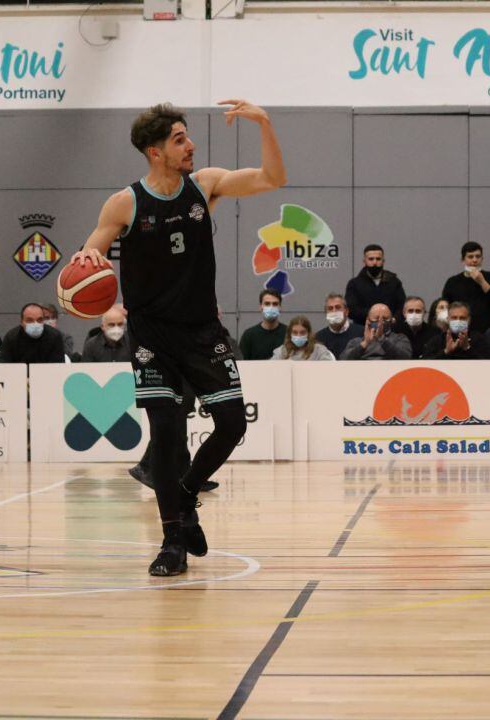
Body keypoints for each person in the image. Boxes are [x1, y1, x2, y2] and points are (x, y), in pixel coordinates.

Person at [72, 100, 285, 576]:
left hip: (202, 330)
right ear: (155, 152)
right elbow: (90, 254)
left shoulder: (204, 185)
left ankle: (185, 494)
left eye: (187, 137)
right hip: (151, 335)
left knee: (232, 423)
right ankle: (172, 541)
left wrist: (264, 124)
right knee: (166, 434)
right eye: (179, 140)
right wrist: (95, 288)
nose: (190, 146)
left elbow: (273, 178)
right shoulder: (124, 203)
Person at [441, 241, 490, 334]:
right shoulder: (453, 282)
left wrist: (482, 282)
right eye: (470, 257)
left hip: (487, 330)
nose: (474, 260)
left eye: (478, 256)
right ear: (463, 260)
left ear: (482, 259)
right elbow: (446, 305)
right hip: (460, 330)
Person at [344, 244, 406, 326]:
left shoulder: (394, 282)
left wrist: (393, 319)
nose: (375, 262)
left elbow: (403, 307)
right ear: (364, 261)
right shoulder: (354, 284)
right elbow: (351, 310)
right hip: (362, 330)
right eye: (371, 259)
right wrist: (375, 317)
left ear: (383, 261)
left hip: (391, 330)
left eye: (378, 259)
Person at [0, 303, 67, 363]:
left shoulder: (54, 336)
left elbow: (58, 367)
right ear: (22, 322)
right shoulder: (11, 337)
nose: (35, 324)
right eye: (29, 320)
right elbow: (3, 366)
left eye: (39, 320)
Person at [340, 303, 411, 360]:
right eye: (376, 318)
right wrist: (364, 344)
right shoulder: (356, 342)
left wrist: (382, 340)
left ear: (392, 320)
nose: (381, 322)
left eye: (385, 318)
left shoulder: (400, 339)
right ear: (368, 320)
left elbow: (406, 357)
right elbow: (343, 359)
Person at [423, 301, 489, 360]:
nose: (458, 321)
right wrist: (446, 351)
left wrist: (467, 348)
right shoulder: (437, 340)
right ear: (448, 319)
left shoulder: (478, 339)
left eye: (462, 318)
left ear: (469, 320)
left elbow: (488, 363)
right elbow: (426, 364)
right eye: (454, 318)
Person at [240, 289, 287, 361]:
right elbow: (241, 364)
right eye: (267, 304)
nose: (271, 307)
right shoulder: (249, 335)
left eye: (275, 304)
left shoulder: (288, 333)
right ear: (260, 307)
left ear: (280, 307)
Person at [315, 293, 364, 359]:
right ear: (326, 313)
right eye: (330, 308)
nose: (334, 311)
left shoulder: (361, 333)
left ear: (346, 312)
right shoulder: (318, 338)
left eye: (338, 307)